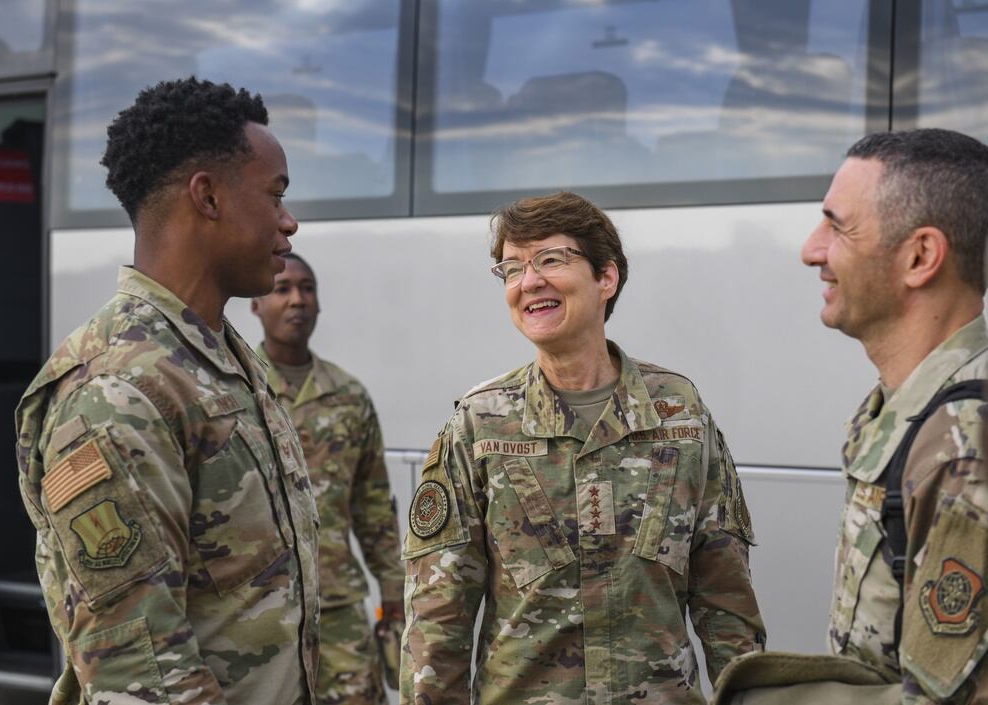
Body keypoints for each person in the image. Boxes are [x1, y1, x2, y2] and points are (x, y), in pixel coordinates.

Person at [14, 77, 322, 705]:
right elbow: (142, 673)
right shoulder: (118, 390)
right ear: (207, 196)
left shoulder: (220, 355)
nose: (289, 222)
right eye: (275, 195)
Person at [399, 191, 766, 704]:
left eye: (550, 259)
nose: (529, 282)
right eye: (511, 269)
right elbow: (437, 619)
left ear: (606, 278)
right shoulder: (480, 423)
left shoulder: (679, 411)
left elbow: (727, 602)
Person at [713, 129, 988, 704]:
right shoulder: (915, 411)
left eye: (837, 226)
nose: (811, 249)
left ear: (920, 257)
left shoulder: (963, 448)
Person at [251, 252, 405, 704]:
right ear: (256, 305)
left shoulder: (349, 396)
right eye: (282, 289)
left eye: (307, 289)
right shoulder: (237, 392)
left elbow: (373, 505)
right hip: (258, 613)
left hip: (337, 607)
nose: (297, 300)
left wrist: (393, 592)